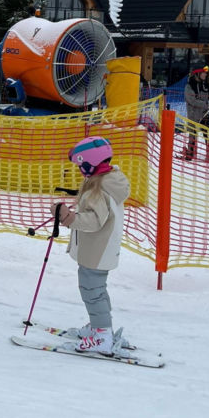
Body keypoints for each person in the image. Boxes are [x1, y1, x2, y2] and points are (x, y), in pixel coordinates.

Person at [55, 136, 131, 355]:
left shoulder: (99, 190)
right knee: (97, 289)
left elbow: (94, 221)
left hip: (96, 250)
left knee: (92, 291)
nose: (80, 170)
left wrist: (68, 217)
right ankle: (100, 327)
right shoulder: (109, 180)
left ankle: (102, 335)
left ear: (89, 164)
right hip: (101, 248)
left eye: (81, 165)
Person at [183, 66, 209, 161]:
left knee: (207, 134)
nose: (205, 74)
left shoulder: (204, 85)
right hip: (194, 115)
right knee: (192, 134)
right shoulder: (189, 86)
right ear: (197, 74)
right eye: (203, 73)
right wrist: (207, 105)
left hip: (204, 114)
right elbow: (192, 100)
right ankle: (190, 153)